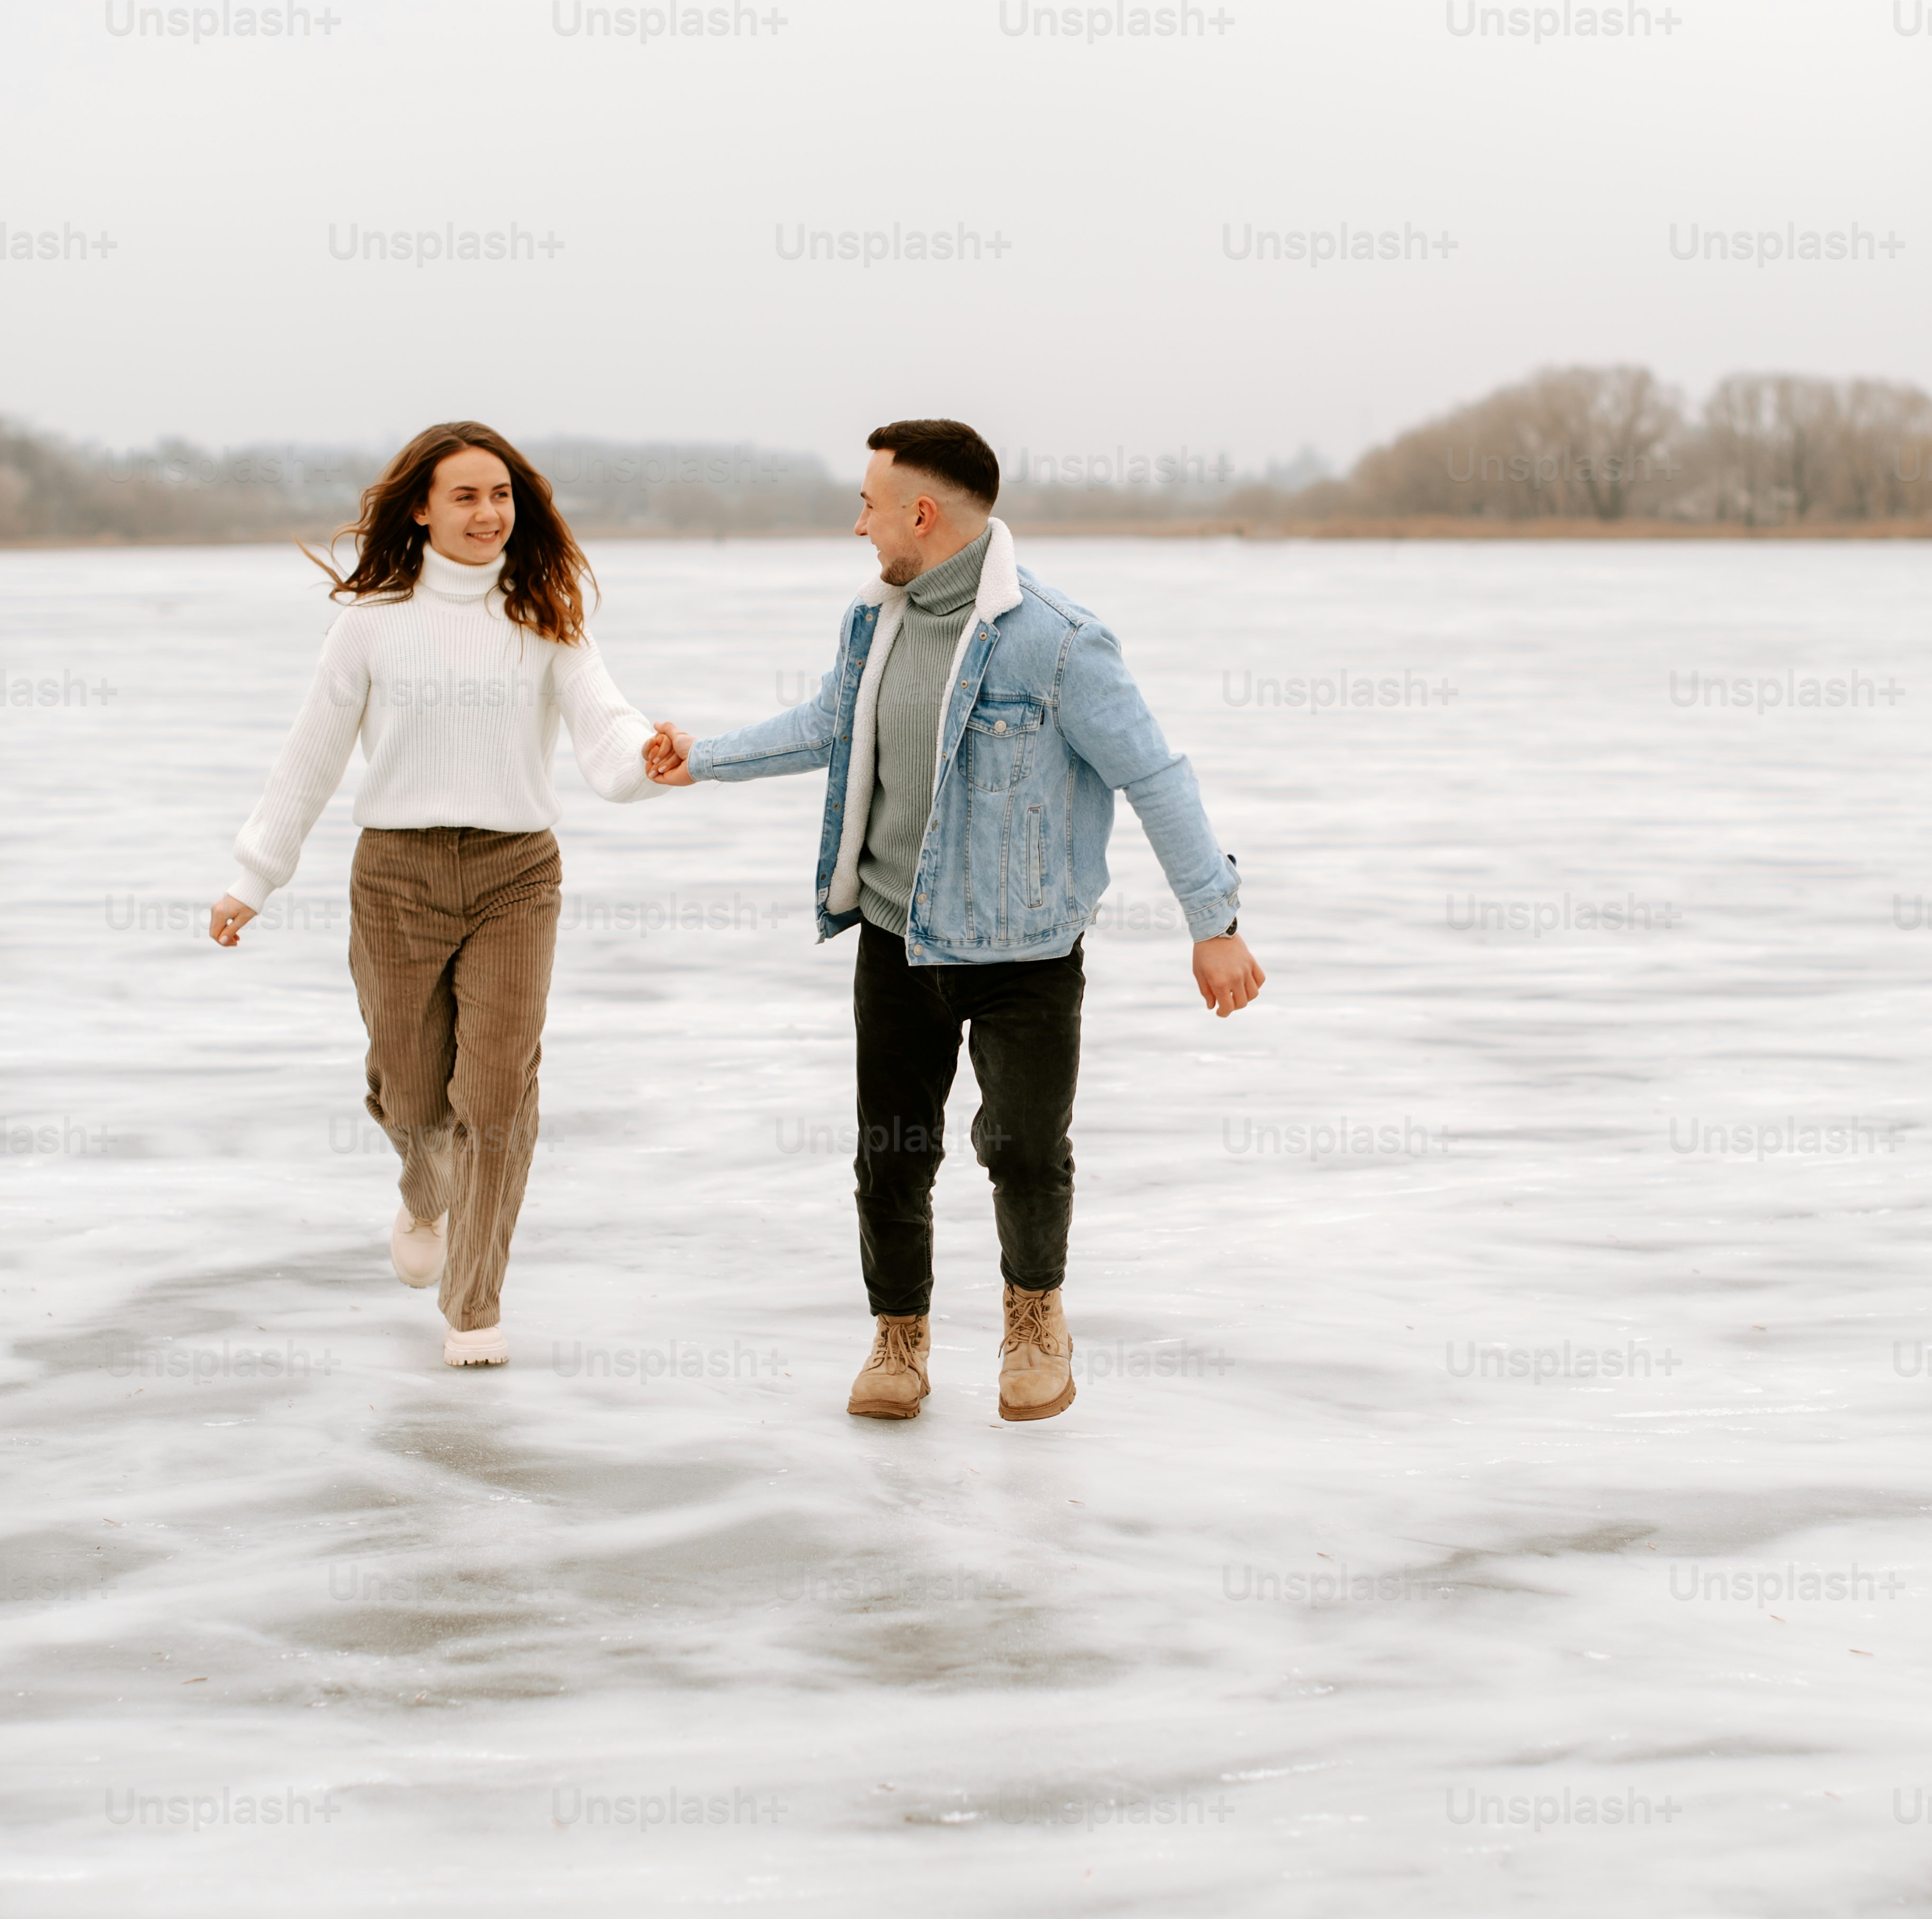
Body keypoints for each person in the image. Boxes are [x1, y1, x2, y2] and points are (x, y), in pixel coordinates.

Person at [645, 416, 1264, 1424]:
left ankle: (1034, 1321)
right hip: (896, 935)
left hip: (1024, 951)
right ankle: (900, 1340)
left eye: (868, 503)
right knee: (891, 1152)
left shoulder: (1057, 639)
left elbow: (1153, 774)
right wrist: (700, 756)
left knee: (1024, 1147)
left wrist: (1214, 919)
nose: (859, 525)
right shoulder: (875, 619)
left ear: (919, 513)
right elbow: (825, 727)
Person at [208, 421, 665, 1367]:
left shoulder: (546, 608)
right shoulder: (372, 621)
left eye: (501, 495)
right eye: (466, 495)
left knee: (497, 1092)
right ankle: (425, 1190)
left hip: (517, 875)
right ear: (421, 507)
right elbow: (312, 754)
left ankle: (475, 1305)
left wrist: (645, 761)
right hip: (397, 879)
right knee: (411, 1090)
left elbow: (603, 721)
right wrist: (254, 875)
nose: (489, 513)